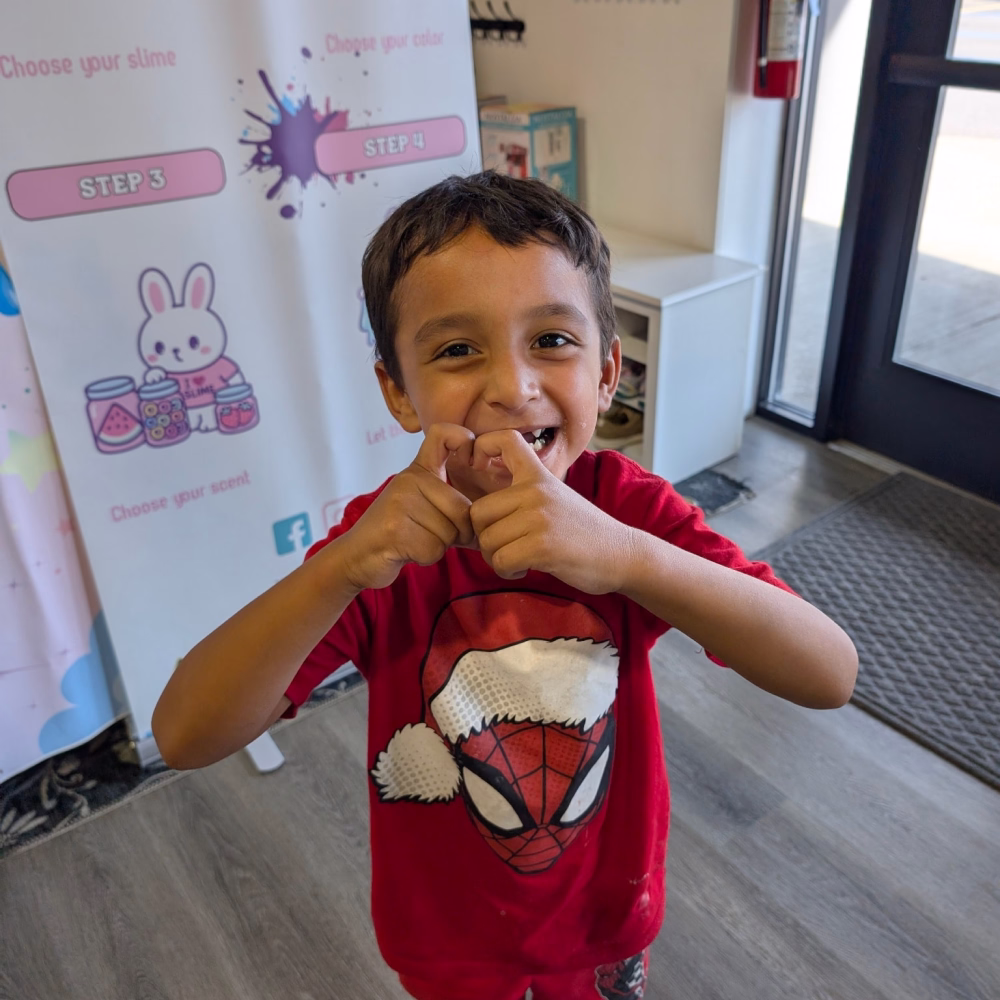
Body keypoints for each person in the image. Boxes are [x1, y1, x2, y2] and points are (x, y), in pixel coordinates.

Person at [152, 171, 858, 1000]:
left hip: (603, 917)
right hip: (447, 940)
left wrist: (631, 559)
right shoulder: (382, 547)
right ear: (397, 392)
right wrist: (337, 573)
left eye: (553, 340)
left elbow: (828, 672)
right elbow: (184, 733)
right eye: (457, 350)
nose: (512, 387)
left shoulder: (629, 515)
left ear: (607, 373)